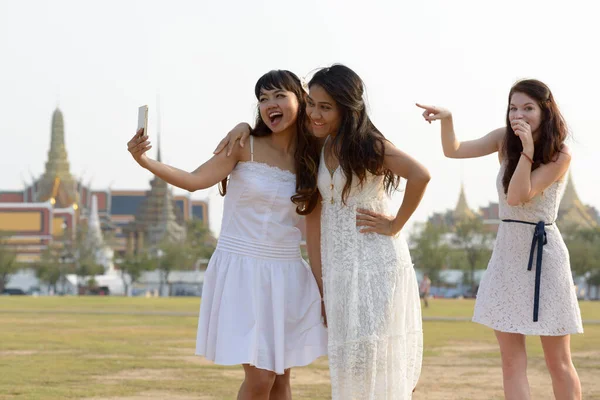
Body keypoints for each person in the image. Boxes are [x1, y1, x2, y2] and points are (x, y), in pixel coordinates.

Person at [217, 64, 429, 400]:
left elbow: (420, 174)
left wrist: (395, 224)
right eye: (312, 103)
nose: (315, 113)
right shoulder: (317, 145)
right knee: (346, 359)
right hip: (339, 265)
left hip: (375, 261)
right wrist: (243, 125)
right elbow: (276, 123)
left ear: (347, 107)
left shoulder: (367, 144)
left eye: (325, 107)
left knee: (370, 358)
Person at [127, 70, 327, 400]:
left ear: (301, 100)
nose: (269, 104)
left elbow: (313, 235)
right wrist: (144, 161)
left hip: (288, 274)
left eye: (279, 96)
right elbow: (193, 181)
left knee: (281, 380)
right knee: (261, 378)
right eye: (263, 98)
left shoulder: (313, 158)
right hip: (242, 271)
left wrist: (322, 290)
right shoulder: (242, 145)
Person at [417, 79, 583, 400]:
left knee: (558, 361)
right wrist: (448, 119)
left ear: (545, 111)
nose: (518, 114)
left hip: (544, 254)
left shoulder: (560, 153)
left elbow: (519, 195)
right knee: (511, 360)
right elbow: (453, 150)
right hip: (508, 253)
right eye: (513, 107)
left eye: (528, 108)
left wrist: (528, 152)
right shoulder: (503, 140)